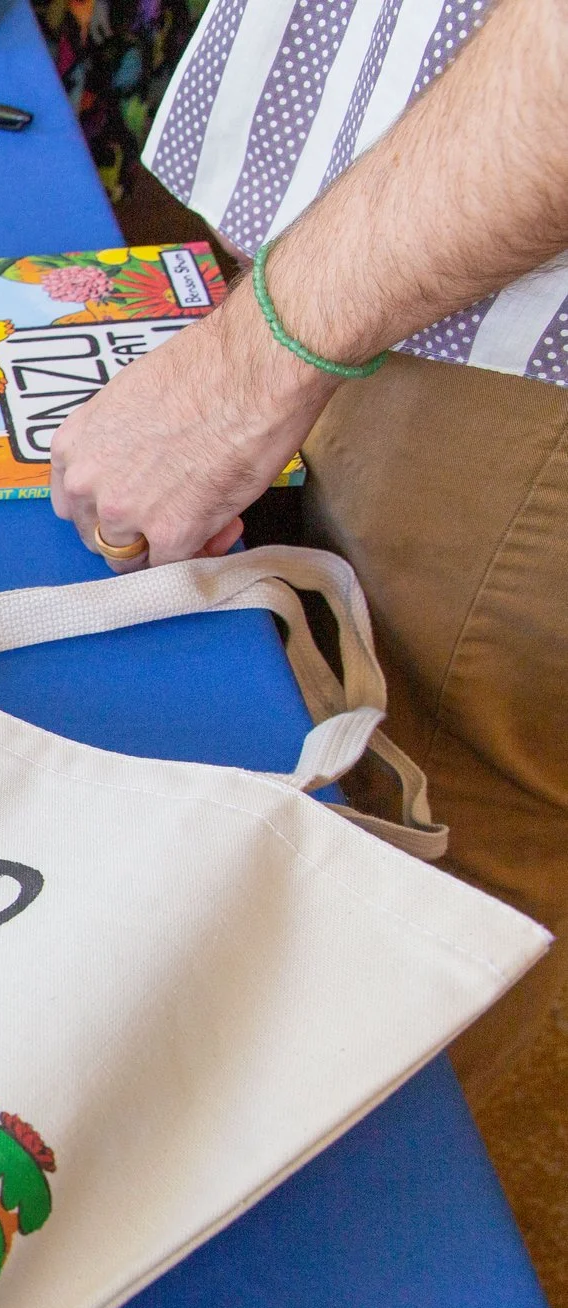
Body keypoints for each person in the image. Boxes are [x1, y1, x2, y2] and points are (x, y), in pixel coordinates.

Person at [47, 0, 568, 1098]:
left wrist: (244, 371)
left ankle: (346, 1213)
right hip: (396, 227)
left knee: (434, 834)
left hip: (511, 326)